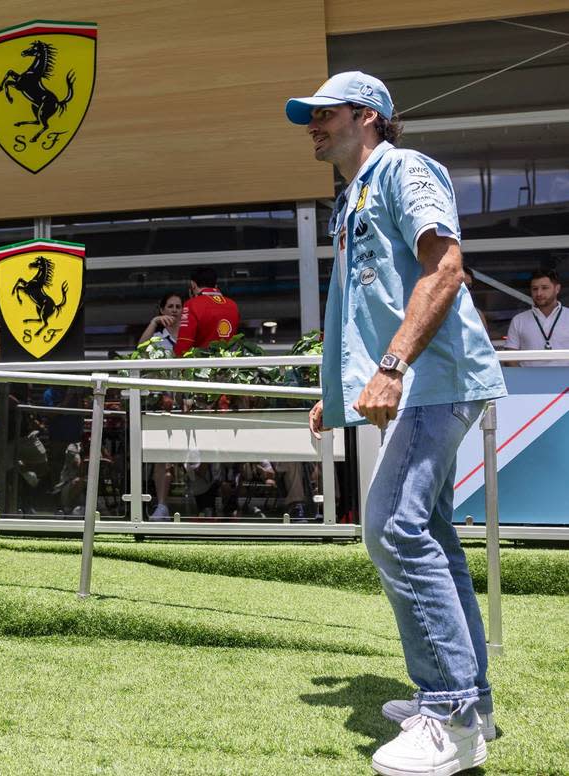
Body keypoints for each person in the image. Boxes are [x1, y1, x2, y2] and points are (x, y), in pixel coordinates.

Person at [288, 71, 506, 775]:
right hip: (416, 382)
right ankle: (470, 702)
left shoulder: (403, 169)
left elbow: (446, 270)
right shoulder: (351, 196)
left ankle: (451, 717)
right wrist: (343, 389)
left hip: (432, 381)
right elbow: (360, 306)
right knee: (430, 534)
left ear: (368, 115)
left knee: (392, 526)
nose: (313, 125)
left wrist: (389, 367)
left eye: (324, 113)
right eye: (310, 116)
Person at [135, 292, 183, 520]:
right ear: (162, 309)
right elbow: (140, 351)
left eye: (178, 306)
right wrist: (154, 323)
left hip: (186, 404)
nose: (174, 310)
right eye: (170, 306)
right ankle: (162, 506)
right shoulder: (158, 338)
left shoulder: (189, 334)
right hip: (163, 405)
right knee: (162, 457)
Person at [503, 268, 567, 366]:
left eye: (544, 288)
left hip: (565, 380)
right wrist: (522, 379)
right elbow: (510, 358)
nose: (539, 293)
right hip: (529, 380)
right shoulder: (519, 320)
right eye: (535, 289)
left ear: (557, 289)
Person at [173, 268, 240, 355]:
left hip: (202, 364)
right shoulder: (233, 305)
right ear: (215, 285)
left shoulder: (192, 304)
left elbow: (185, 342)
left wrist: (176, 363)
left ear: (193, 284)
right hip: (229, 363)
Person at [461, 267, 490, 333]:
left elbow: (483, 341)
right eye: (463, 286)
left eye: (469, 286)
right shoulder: (440, 314)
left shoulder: (477, 314)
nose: (467, 290)